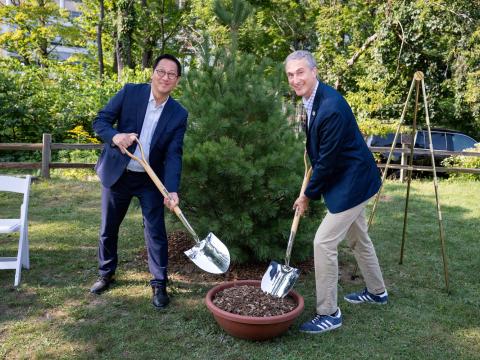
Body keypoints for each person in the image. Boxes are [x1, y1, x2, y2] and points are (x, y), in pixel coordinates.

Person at [285, 50, 387, 334]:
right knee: (358, 238)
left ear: (314, 71)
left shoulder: (330, 106)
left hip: (353, 183)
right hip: (348, 177)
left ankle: (329, 313)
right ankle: (378, 292)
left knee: (323, 243)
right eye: (290, 75)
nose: (295, 79)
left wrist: (306, 196)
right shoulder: (313, 100)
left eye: (300, 72)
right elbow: (321, 153)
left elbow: (327, 162)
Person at [90, 54, 188, 309]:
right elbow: (100, 121)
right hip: (119, 173)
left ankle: (159, 283)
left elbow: (173, 154)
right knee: (108, 228)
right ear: (152, 73)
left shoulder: (178, 114)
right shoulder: (130, 93)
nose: (165, 77)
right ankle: (106, 273)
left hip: (150, 180)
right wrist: (115, 136)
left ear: (177, 80)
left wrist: (172, 189)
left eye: (171, 74)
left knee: (156, 232)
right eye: (161, 71)